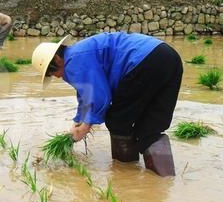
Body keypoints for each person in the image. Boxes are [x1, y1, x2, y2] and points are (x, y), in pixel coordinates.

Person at [31, 33, 183, 176]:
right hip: (169, 57)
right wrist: (78, 121)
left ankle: (125, 175)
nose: (57, 77)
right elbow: (86, 93)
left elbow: (99, 95)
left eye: (53, 72)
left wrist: (85, 126)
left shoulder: (73, 61)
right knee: (151, 128)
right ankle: (165, 183)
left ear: (57, 59)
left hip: (143, 62)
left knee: (117, 121)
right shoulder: (79, 53)